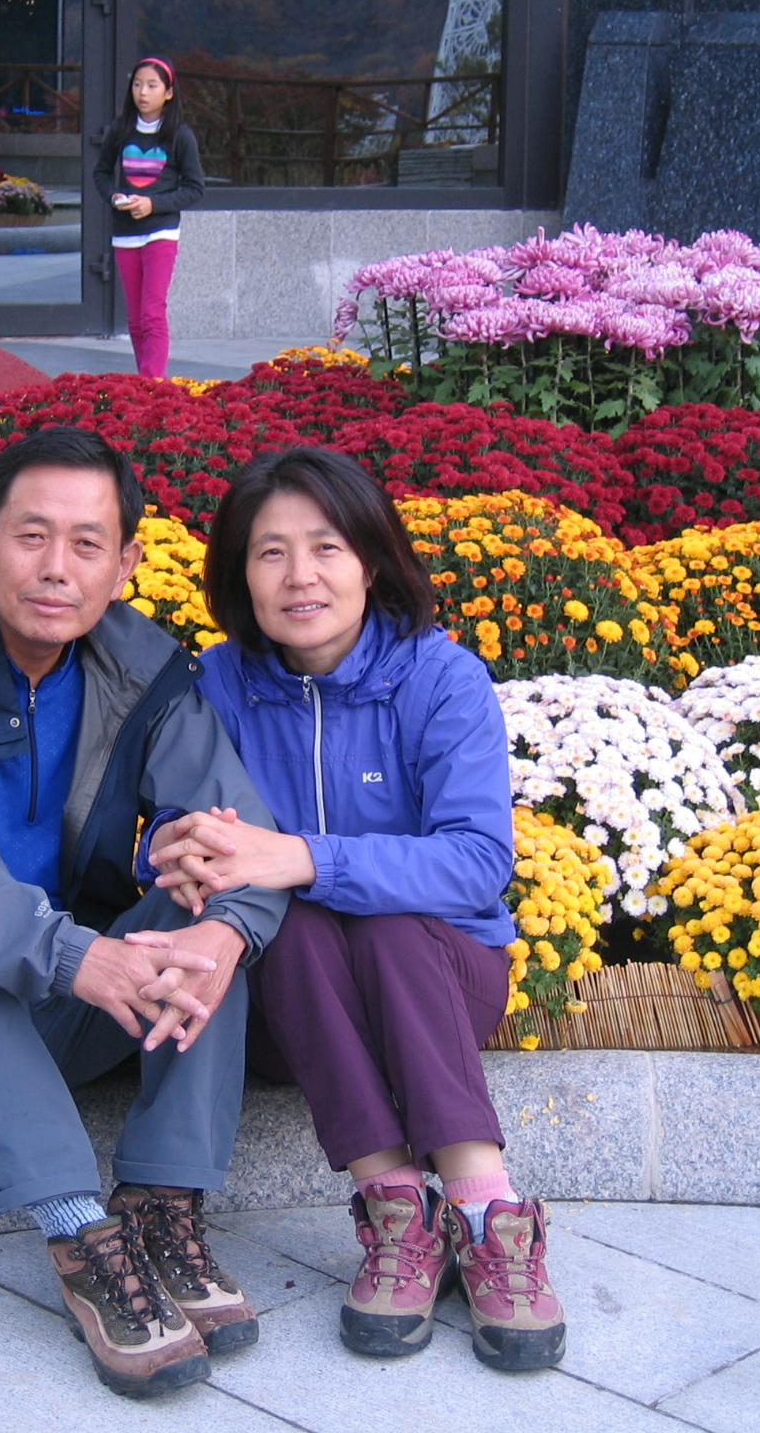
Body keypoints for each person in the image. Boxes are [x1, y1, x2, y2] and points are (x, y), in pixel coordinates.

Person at [0, 427, 289, 1398]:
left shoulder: (144, 673)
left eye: (87, 544)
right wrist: (74, 956)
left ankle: (162, 1200)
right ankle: (81, 1234)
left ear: (124, 564)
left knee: (201, 908)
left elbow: (237, 832)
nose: (55, 568)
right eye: (30, 535)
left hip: (89, 1008)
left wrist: (222, 927)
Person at [150, 447, 567, 1373]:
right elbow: (175, 834)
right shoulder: (217, 687)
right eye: (270, 553)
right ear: (239, 574)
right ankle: (397, 1212)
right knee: (293, 923)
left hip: (440, 988)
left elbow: (477, 863)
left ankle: (485, 1210)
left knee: (387, 920)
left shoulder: (439, 680)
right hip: (291, 1007)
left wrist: (301, 856)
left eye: (326, 547)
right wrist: (177, 845)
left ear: (372, 561)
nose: (299, 575)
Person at [92, 58, 205, 377]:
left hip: (161, 233)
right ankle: (147, 382)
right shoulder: (120, 130)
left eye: (152, 86)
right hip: (125, 233)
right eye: (138, 84)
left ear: (168, 93)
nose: (143, 92)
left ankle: (151, 384)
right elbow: (101, 173)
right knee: (135, 320)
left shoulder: (180, 135)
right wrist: (114, 196)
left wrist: (153, 204)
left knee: (152, 313)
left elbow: (195, 188)